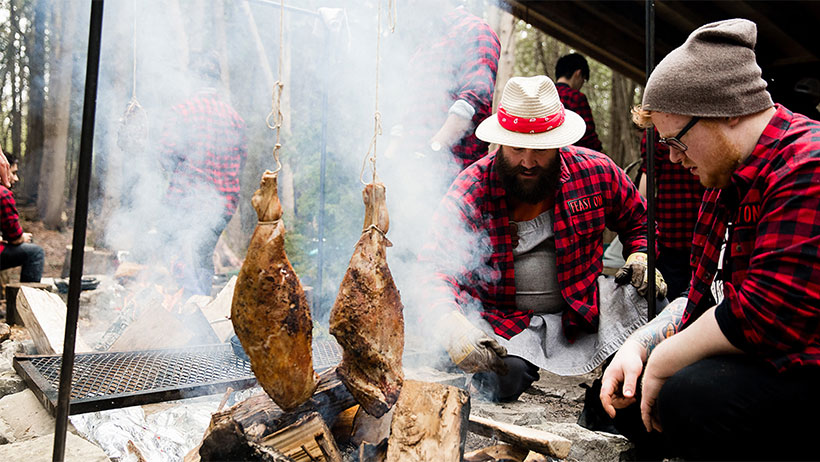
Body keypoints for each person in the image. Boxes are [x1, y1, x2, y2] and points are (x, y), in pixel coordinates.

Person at [599, 19, 820, 461]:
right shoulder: (723, 183)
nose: (675, 159)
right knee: (623, 385)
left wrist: (665, 359)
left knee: (691, 396)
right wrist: (641, 345)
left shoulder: (807, 164)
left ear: (730, 109)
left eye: (677, 142)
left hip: (803, 366)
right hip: (758, 359)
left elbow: (767, 312)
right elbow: (702, 298)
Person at [423, 75, 666, 403]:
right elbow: (433, 266)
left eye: (539, 150)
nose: (527, 161)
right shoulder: (472, 188)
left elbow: (640, 222)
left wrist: (641, 255)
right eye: (517, 148)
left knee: (653, 303)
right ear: (500, 142)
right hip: (505, 320)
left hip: (583, 309)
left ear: (558, 143)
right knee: (502, 377)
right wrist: (448, 322)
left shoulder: (597, 172)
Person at [159, 51, 247, 296]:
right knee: (202, 254)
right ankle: (199, 305)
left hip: (186, 201)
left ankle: (188, 307)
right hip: (223, 205)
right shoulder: (235, 119)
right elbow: (240, 162)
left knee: (178, 252)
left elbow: (166, 154)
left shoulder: (181, 112)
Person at [385, 0, 500, 175]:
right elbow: (407, 111)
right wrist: (388, 159)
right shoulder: (423, 48)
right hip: (413, 175)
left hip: (454, 177)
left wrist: (432, 150)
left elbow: (472, 102)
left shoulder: (475, 30)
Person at [637, 130, 706, 299]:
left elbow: (648, 176)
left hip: (673, 227)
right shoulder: (698, 122)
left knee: (672, 295)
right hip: (694, 224)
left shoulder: (655, 129)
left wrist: (641, 215)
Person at [0, 151, 44, 283]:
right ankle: (28, 299)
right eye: (13, 173)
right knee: (35, 253)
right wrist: (22, 237)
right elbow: (15, 237)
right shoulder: (2, 194)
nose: (16, 178)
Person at [554, 53, 603, 152]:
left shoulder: (544, 94)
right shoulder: (576, 97)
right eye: (583, 80)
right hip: (569, 157)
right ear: (578, 73)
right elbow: (588, 136)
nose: (581, 84)